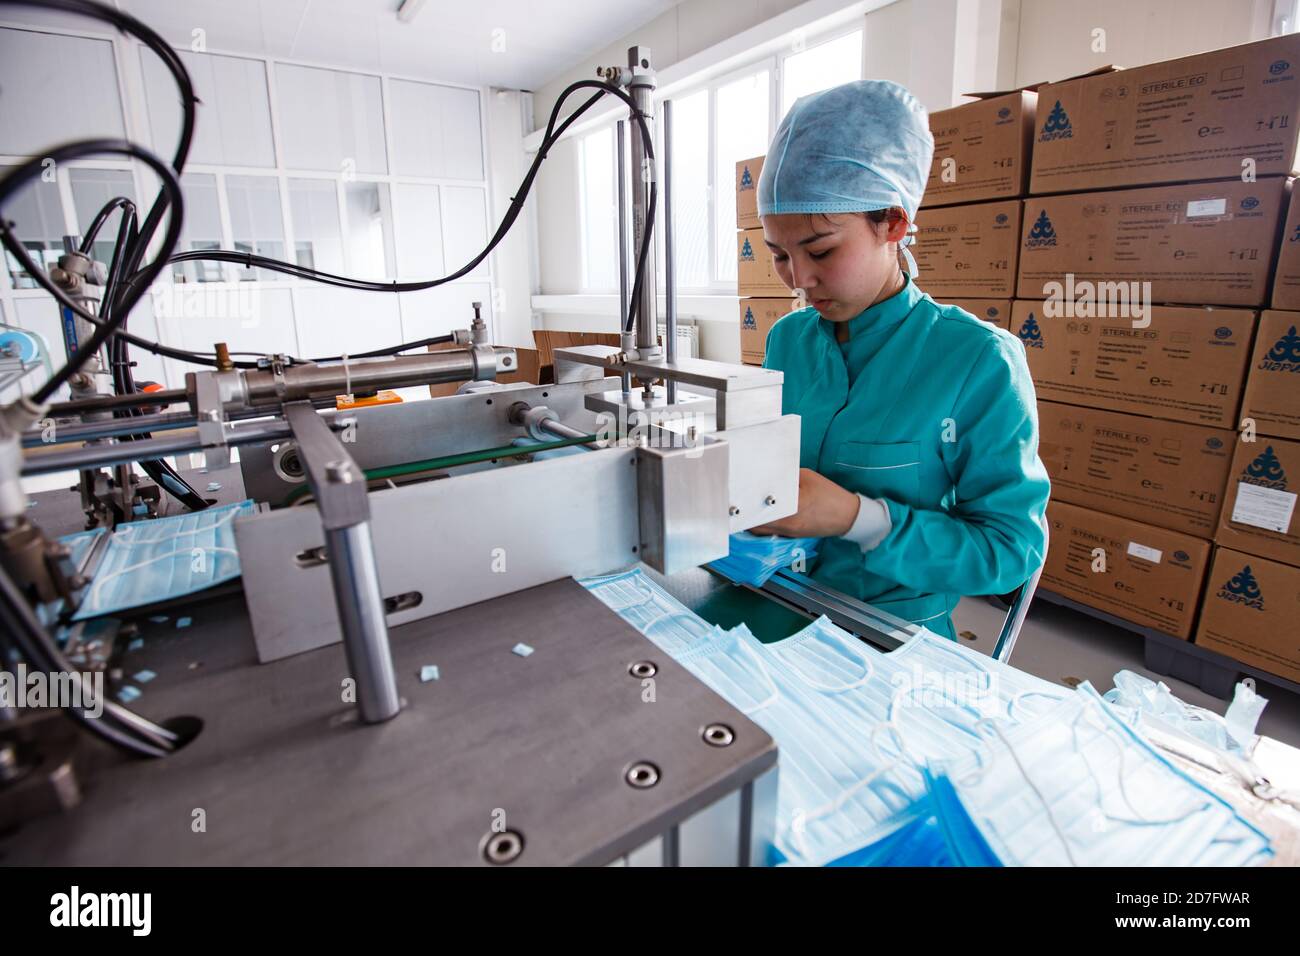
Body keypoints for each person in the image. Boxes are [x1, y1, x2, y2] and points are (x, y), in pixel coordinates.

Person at [749, 79, 1050, 641]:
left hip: (890, 638)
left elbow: (1009, 552)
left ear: (893, 224)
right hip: (774, 595)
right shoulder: (788, 340)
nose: (799, 280)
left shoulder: (977, 361)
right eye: (779, 255)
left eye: (820, 251)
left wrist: (854, 518)